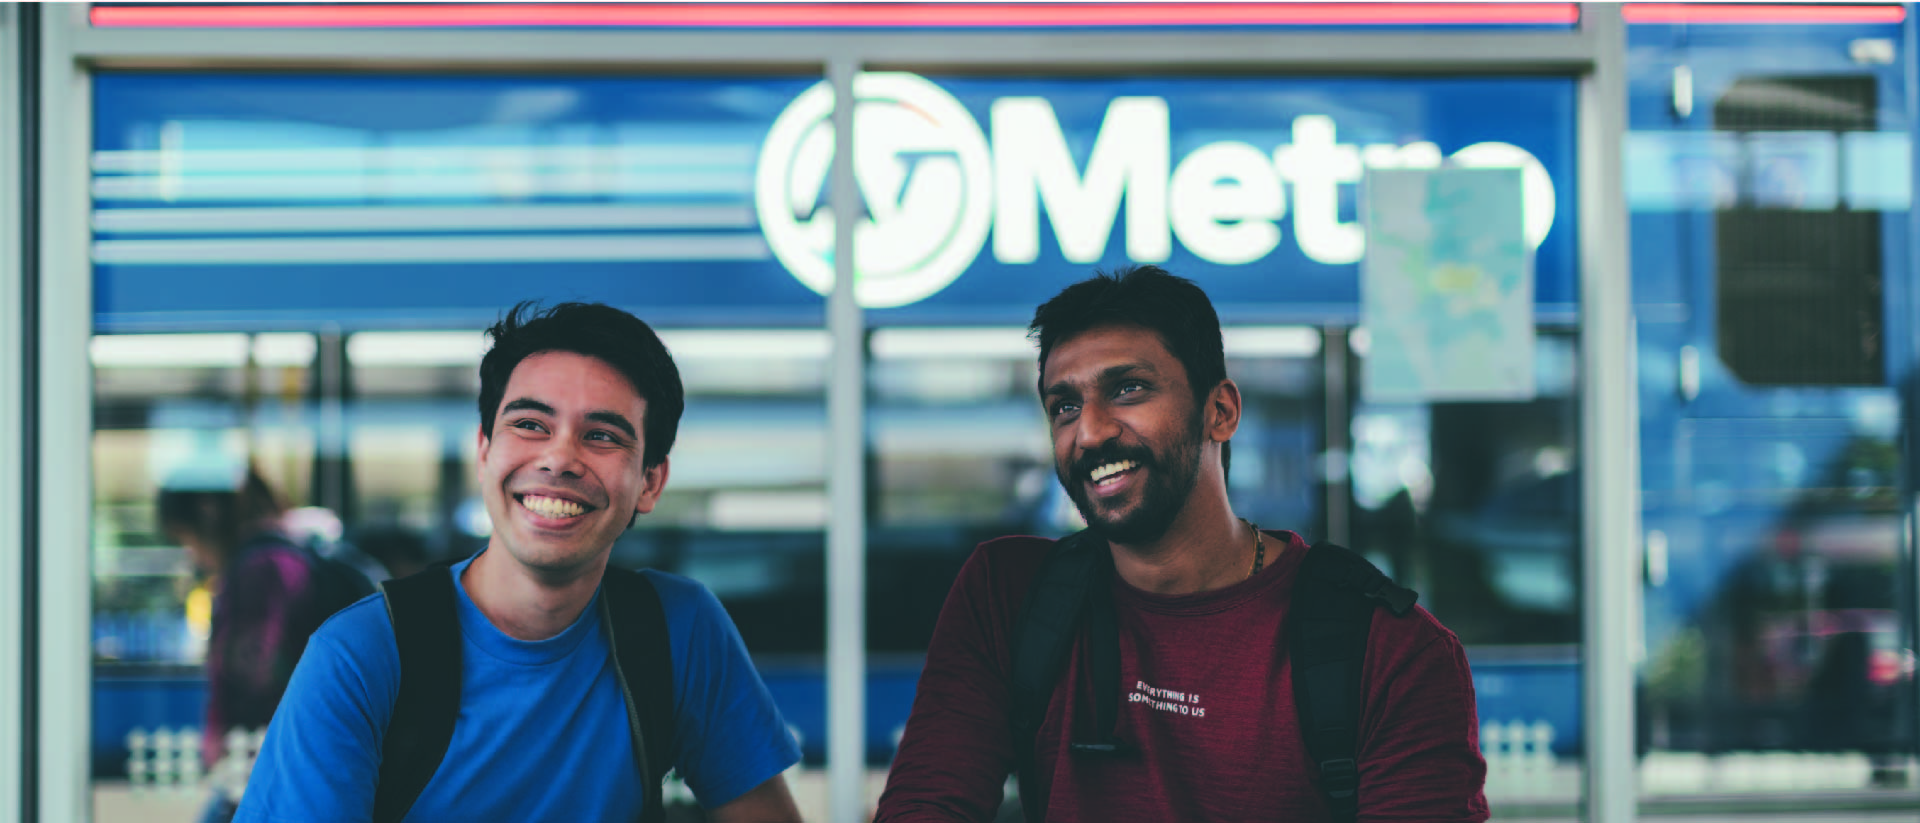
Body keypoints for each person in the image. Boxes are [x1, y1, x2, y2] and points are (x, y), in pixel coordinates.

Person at [874, 266, 1489, 822]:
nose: (1089, 433)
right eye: (1064, 406)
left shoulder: (1393, 651)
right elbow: (926, 805)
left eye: (1128, 389)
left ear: (1219, 412)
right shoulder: (1008, 593)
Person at [234, 302, 802, 822]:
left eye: (602, 435)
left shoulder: (677, 629)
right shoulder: (360, 657)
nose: (558, 458)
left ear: (650, 481)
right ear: (485, 451)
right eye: (530, 425)